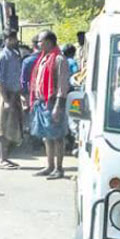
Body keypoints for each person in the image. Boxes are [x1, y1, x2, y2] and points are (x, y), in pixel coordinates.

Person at [29, 30, 70, 180]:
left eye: (40, 41)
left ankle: (59, 168)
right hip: (42, 102)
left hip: (53, 103)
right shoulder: (43, 58)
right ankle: (50, 166)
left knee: (58, 136)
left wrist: (58, 106)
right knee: (47, 136)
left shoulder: (59, 59)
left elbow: (62, 85)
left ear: (49, 42)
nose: (38, 44)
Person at [0, 31, 23, 169]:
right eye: (11, 39)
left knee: (13, 126)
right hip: (6, 94)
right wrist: (6, 100)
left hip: (15, 93)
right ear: (5, 40)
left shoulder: (16, 55)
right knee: (2, 126)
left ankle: (7, 158)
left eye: (14, 38)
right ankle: (2, 159)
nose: (14, 41)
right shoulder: (2, 57)